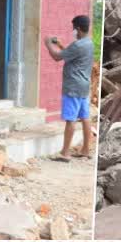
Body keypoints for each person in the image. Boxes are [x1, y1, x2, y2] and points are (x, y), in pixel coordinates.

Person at [43, 15, 94, 161]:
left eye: (73, 28)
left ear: (78, 28)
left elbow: (57, 57)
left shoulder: (78, 45)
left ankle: (65, 153)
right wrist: (60, 44)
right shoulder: (87, 43)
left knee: (70, 119)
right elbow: (70, 55)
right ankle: (85, 150)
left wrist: (48, 44)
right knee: (85, 118)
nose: (73, 31)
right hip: (84, 86)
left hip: (73, 87)